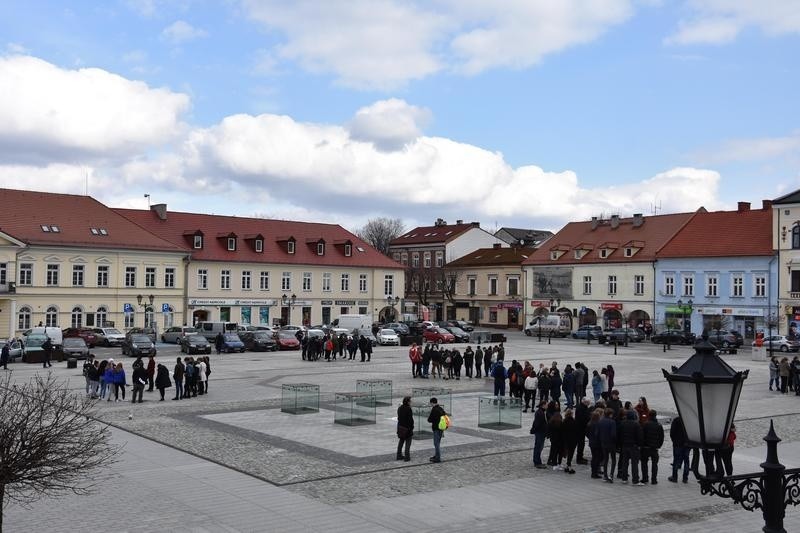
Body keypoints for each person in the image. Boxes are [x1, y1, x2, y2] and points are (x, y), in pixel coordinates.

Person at [641, 409, 664, 484]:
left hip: (646, 447)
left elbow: (642, 436)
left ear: (649, 415)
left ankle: (645, 478)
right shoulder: (659, 425)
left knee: (644, 463)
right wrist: (659, 445)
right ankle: (654, 480)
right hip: (654, 448)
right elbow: (661, 437)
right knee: (654, 464)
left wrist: (642, 445)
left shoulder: (645, 424)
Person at [597, 408, 618, 483]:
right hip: (611, 444)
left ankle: (605, 475)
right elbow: (613, 434)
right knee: (613, 459)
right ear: (610, 414)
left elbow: (597, 433)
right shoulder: (612, 422)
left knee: (605, 459)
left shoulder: (600, 421)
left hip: (603, 443)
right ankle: (611, 475)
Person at [668, 416, 690, 483]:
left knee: (676, 460)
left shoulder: (676, 420)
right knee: (686, 460)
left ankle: (675, 477)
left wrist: (674, 441)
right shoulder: (689, 420)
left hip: (677, 443)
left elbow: (672, 432)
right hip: (687, 443)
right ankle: (685, 478)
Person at [530, 400, 548, 468]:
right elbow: (537, 423)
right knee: (538, 447)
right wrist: (534, 430)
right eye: (546, 405)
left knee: (540, 447)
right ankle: (537, 462)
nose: (547, 406)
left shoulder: (542, 412)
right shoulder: (540, 413)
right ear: (543, 405)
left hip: (541, 432)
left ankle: (538, 461)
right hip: (540, 432)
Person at [427, 397, 446, 463]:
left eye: (430, 403)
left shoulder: (434, 409)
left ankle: (437, 458)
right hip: (441, 428)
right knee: (438, 443)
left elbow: (429, 420)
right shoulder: (441, 408)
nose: (430, 404)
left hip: (436, 428)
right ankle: (436, 455)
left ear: (432, 402)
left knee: (436, 443)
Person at [396, 396, 414, 462]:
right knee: (408, 443)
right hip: (408, 428)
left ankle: (399, 455)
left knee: (401, 441)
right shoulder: (408, 409)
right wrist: (411, 427)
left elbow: (399, 418)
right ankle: (407, 457)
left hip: (401, 428)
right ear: (408, 402)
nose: (411, 402)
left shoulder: (400, 408)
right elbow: (410, 420)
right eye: (410, 401)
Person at [575, 398, 591, 464]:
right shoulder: (581, 408)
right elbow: (583, 419)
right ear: (585, 402)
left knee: (582, 444)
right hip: (580, 429)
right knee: (581, 444)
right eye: (588, 402)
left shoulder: (583, 407)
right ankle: (579, 458)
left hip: (582, 428)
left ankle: (580, 457)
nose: (589, 404)